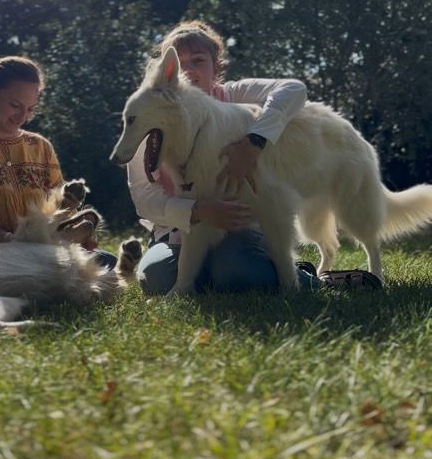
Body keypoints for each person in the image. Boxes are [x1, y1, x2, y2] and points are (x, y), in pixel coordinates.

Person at [128, 21, 381, 293]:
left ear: (216, 69)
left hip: (243, 227)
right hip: (175, 234)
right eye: (180, 62)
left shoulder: (233, 95)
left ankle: (313, 281)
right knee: (156, 279)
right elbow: (145, 200)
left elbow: (293, 89)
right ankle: (224, 273)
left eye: (199, 60)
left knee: (236, 273)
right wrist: (199, 211)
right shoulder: (150, 116)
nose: (188, 70)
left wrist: (253, 143)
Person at [0, 55, 115, 265]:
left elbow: (55, 209)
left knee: (107, 260)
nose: (22, 117)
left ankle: (40, 269)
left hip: (39, 249)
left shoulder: (41, 147)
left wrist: (68, 214)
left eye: (30, 109)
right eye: (15, 105)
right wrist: (7, 240)